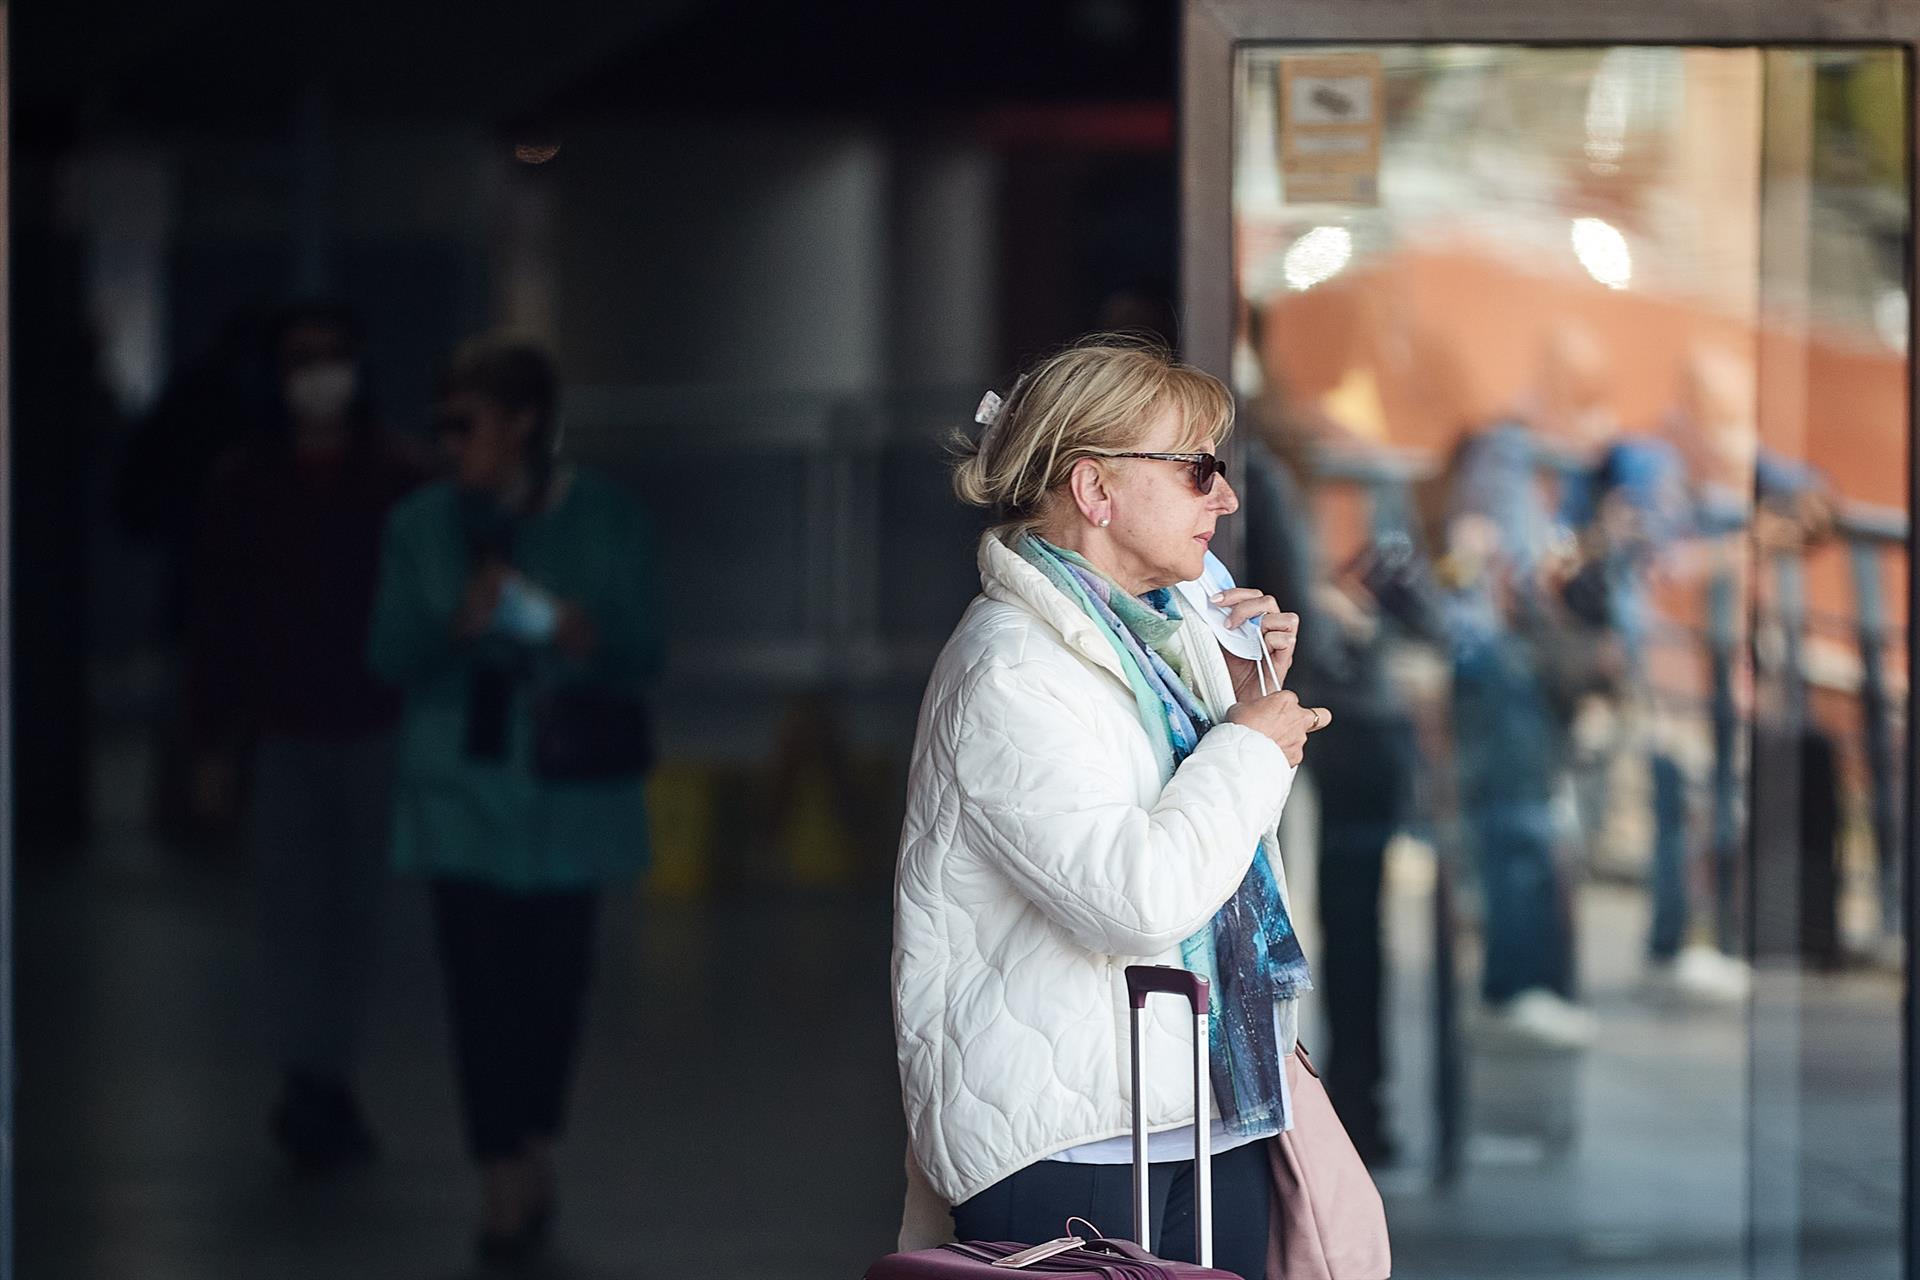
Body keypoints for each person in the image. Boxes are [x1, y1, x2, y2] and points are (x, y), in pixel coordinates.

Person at [891, 336, 1331, 1279]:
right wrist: (1247, 747)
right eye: (1197, 469)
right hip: (1071, 1138)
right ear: (1095, 489)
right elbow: (1136, 899)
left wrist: (1240, 704)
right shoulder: (1011, 666)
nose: (1225, 497)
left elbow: (1211, 852)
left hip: (1206, 1106)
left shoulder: (1159, 641)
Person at [368, 335, 663, 1263]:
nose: (452, 445)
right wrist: (452, 624)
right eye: (442, 427)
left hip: (569, 801)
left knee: (554, 991)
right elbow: (387, 654)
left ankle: (532, 1140)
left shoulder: (602, 518)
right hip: (459, 797)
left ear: (523, 423)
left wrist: (574, 631)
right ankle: (500, 1170)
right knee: (478, 991)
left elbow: (644, 648)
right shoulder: (420, 527)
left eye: (469, 425)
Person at [187, 302, 423, 1170]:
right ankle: (308, 1081)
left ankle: (330, 1076)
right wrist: (214, 746)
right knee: (292, 915)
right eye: (301, 360)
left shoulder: (397, 476)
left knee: (356, 917)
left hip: (374, 724)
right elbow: (219, 620)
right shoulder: (245, 481)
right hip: (284, 728)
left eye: (332, 357)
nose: (318, 376)